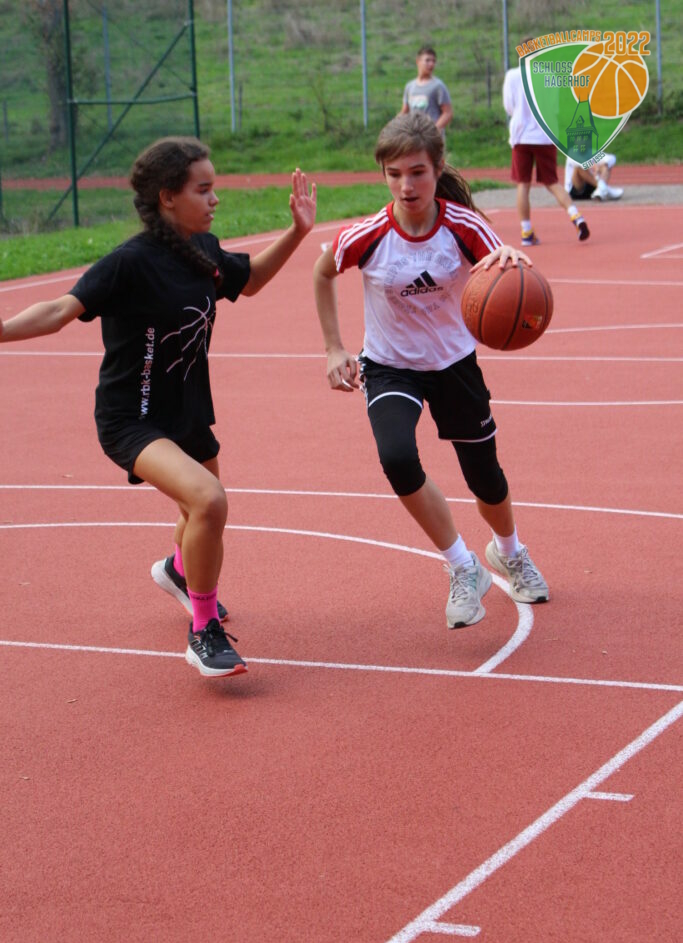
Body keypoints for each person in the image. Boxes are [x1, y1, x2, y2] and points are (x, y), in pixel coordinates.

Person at [0, 136, 316, 677]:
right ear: (168, 197)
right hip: (133, 418)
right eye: (203, 189)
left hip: (187, 412)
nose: (215, 198)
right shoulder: (130, 262)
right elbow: (58, 310)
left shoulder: (203, 250)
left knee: (200, 513)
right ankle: (203, 631)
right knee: (209, 501)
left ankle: (177, 571)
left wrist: (297, 231)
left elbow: (251, 281)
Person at [313, 112, 548, 630]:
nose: (406, 185)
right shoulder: (368, 234)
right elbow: (322, 271)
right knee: (397, 458)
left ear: (438, 169)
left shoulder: (463, 227)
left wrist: (509, 257)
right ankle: (463, 566)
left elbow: (503, 265)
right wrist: (333, 348)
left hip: (453, 363)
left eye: (417, 172)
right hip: (390, 366)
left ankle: (509, 551)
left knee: (485, 477)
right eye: (394, 174)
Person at [503, 53, 589, 245]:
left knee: (523, 184)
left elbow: (509, 106)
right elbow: (554, 108)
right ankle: (575, 215)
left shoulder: (513, 75)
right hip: (545, 135)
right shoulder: (550, 76)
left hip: (521, 136)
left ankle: (526, 231)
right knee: (552, 182)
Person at [400, 45, 453, 135]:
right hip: (414, 136)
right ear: (418, 61)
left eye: (433, 61)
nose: (431, 64)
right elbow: (405, 111)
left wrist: (434, 130)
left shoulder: (438, 86)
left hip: (432, 138)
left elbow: (448, 113)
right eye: (427, 60)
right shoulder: (410, 86)